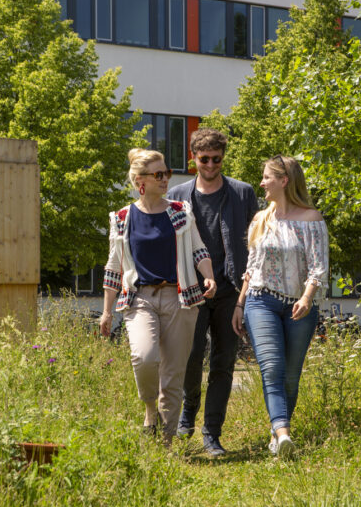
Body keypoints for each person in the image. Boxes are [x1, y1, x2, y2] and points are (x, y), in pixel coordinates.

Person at [100, 148, 217, 444]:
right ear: (141, 180)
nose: (166, 178)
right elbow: (114, 267)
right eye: (158, 174)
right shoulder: (123, 218)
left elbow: (198, 249)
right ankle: (150, 409)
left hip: (180, 299)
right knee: (144, 356)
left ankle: (165, 444)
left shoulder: (180, 211)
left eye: (166, 172)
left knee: (174, 374)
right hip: (140, 299)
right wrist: (106, 311)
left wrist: (208, 275)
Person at [168, 128, 258, 457]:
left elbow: (255, 241)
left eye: (216, 159)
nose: (210, 165)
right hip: (191, 290)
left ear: (223, 157)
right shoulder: (177, 196)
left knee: (223, 363)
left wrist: (249, 290)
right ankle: (187, 416)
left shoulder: (242, 193)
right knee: (190, 358)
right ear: (193, 159)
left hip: (231, 289)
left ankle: (212, 434)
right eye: (203, 159)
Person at [232, 155, 328, 458]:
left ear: (283, 181)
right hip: (260, 300)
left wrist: (307, 297)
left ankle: (277, 434)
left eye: (266, 178)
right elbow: (251, 265)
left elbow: (318, 267)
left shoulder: (311, 219)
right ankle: (284, 433)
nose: (261, 183)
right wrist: (240, 303)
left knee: (290, 376)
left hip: (299, 306)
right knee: (271, 368)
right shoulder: (261, 219)